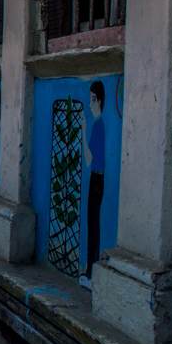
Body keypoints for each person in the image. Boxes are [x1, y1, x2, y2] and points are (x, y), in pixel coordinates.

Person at [79, 81, 106, 291]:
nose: (89, 105)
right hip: (98, 178)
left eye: (92, 100)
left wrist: (83, 129)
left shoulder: (98, 126)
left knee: (93, 224)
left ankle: (90, 272)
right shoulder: (100, 125)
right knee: (93, 224)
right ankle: (90, 270)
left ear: (99, 101)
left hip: (96, 179)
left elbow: (89, 159)